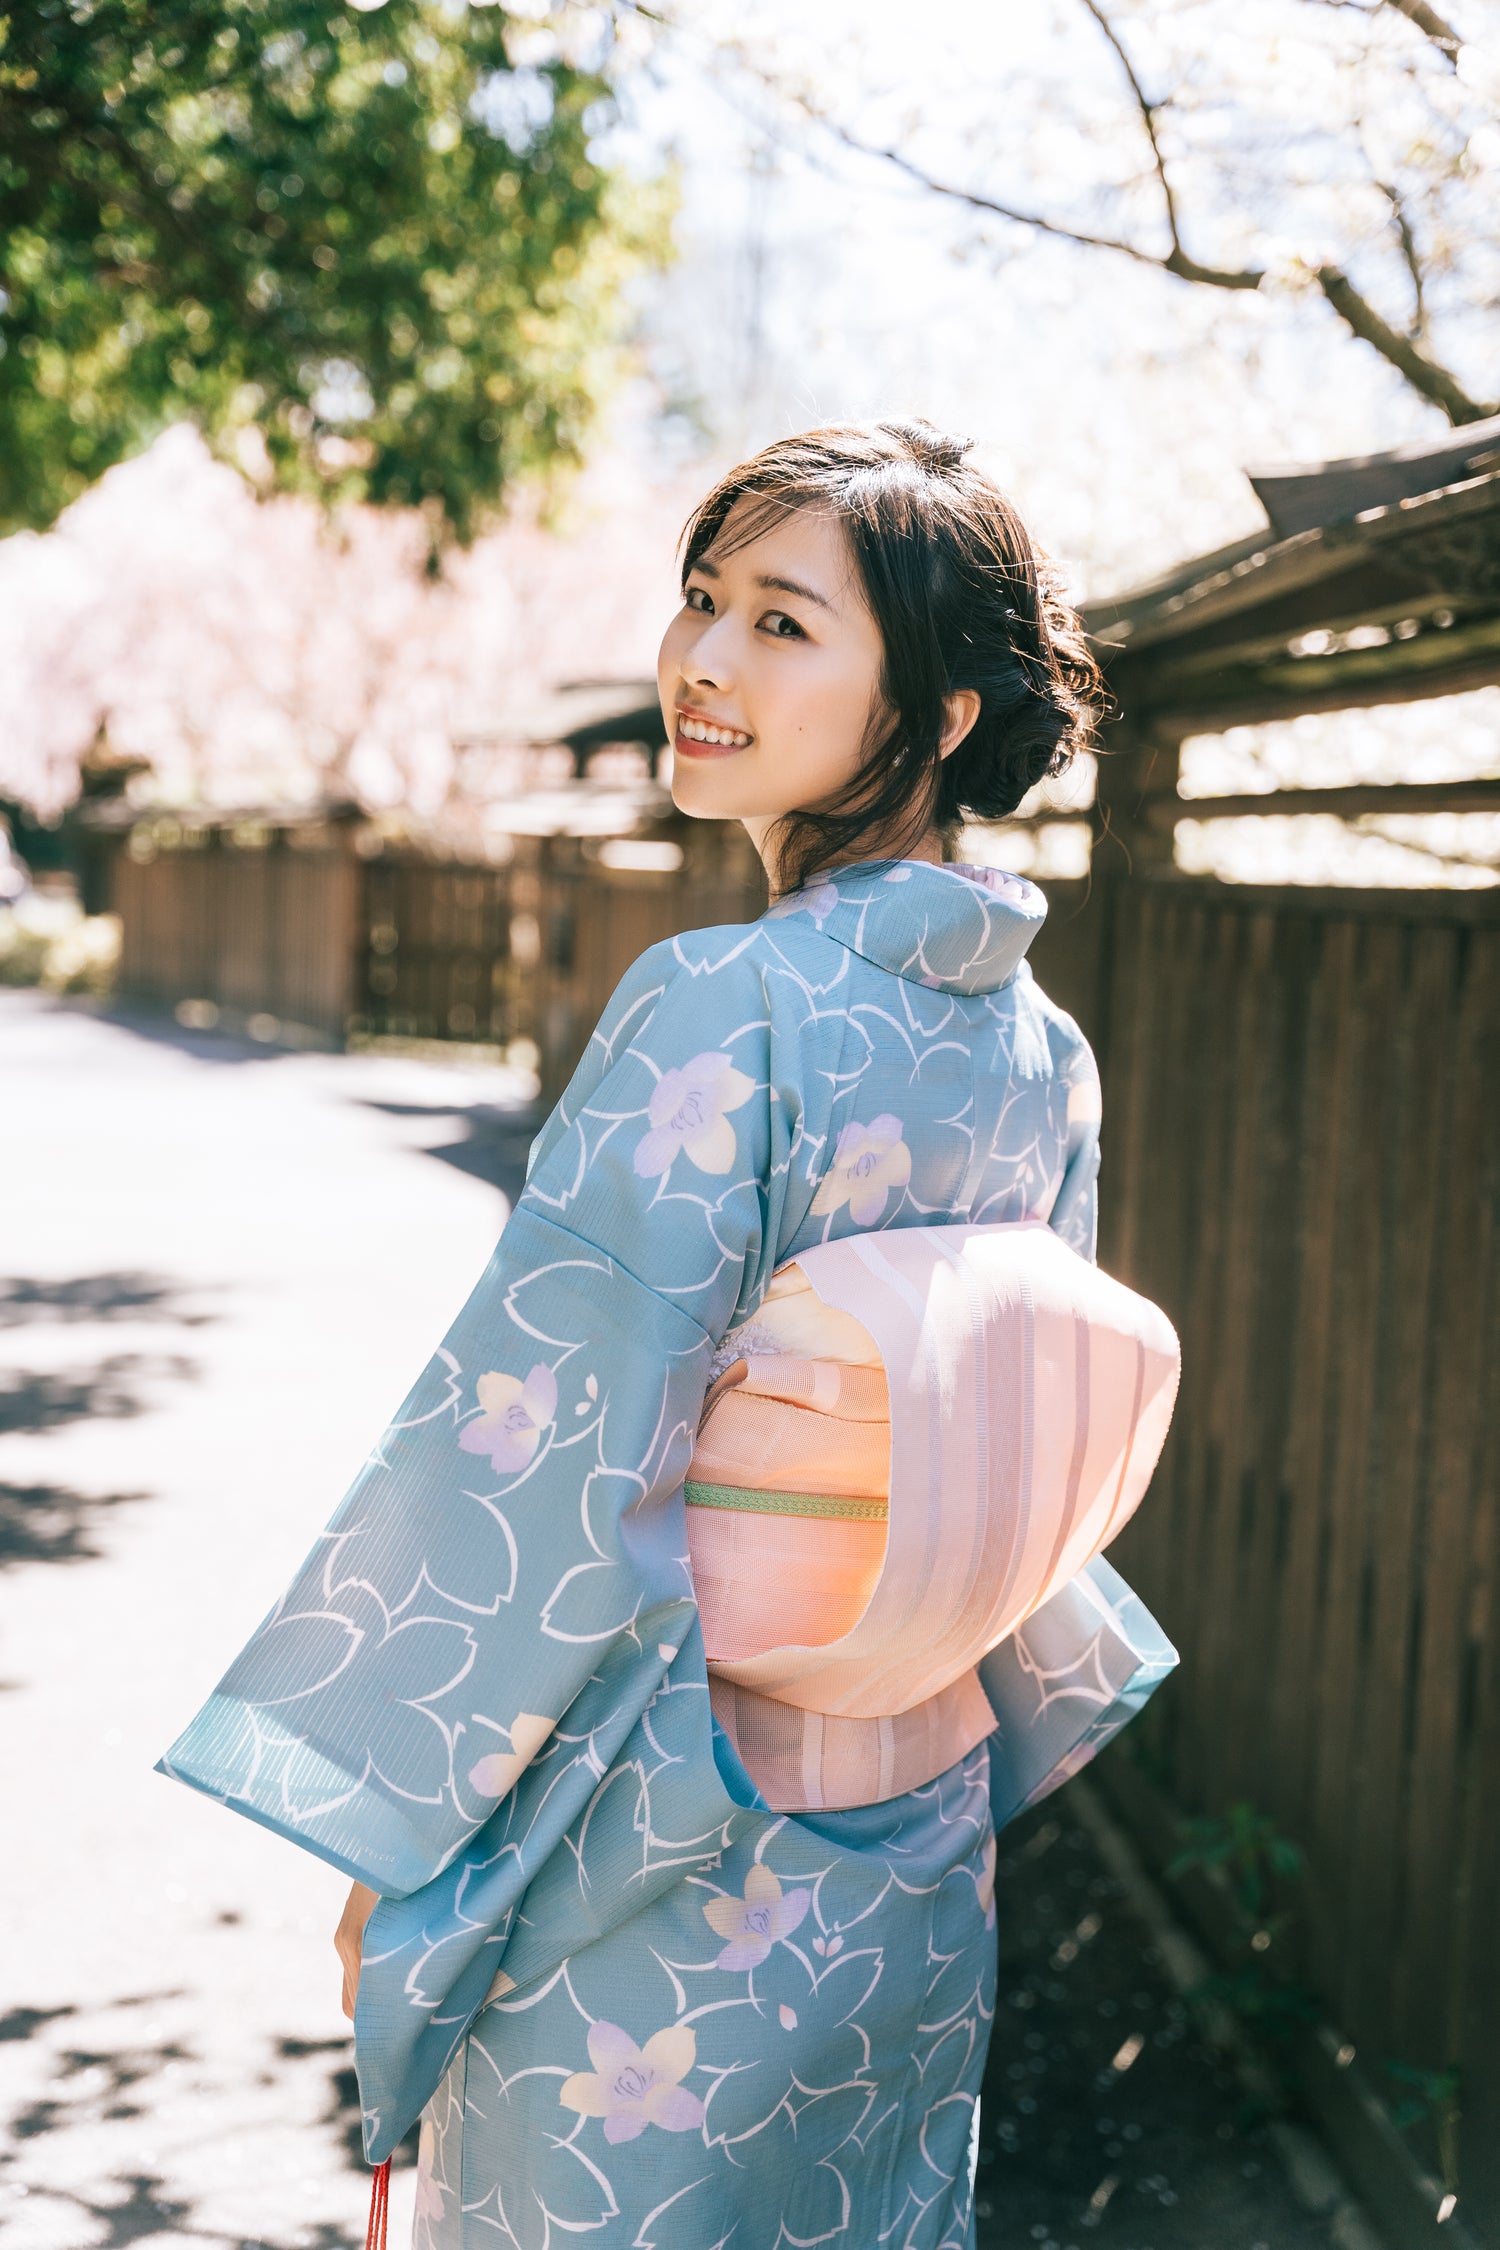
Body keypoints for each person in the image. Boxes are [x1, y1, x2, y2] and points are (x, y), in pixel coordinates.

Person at [161, 421, 1178, 2247]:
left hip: (672, 1848)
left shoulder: (725, 1000)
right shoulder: (1048, 1049)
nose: (702, 662)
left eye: (784, 622)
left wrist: (420, 1849)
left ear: (945, 708)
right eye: (703, 602)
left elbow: (549, 1458)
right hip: (916, 1826)